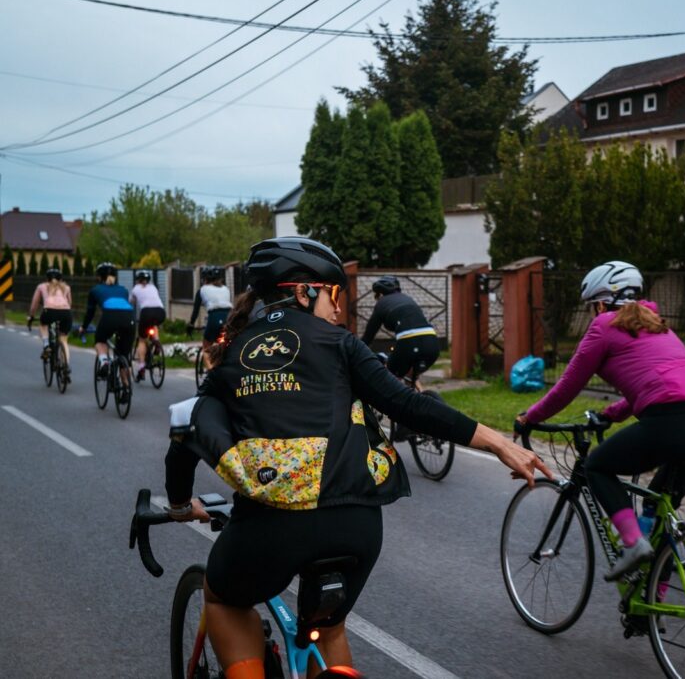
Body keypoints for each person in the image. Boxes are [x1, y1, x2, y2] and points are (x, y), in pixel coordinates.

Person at [164, 237, 552, 679]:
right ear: (302, 291)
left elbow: (187, 432)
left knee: (225, 601)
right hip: (356, 525)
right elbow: (408, 405)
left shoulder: (231, 355)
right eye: (333, 295)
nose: (337, 309)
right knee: (327, 629)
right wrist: (498, 442)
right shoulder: (340, 344)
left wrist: (179, 505)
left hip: (270, 526)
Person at [516, 261, 685, 581]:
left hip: (672, 421)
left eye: (592, 306)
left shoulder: (603, 326)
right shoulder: (659, 326)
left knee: (597, 465)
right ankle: (654, 607)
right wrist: (611, 414)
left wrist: (530, 417)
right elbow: (663, 382)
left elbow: (566, 388)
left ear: (600, 302)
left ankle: (632, 544)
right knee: (657, 514)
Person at [360, 275, 440, 383]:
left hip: (409, 343)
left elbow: (369, 336)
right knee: (410, 378)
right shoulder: (408, 299)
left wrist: (358, 351)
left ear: (380, 294)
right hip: (432, 343)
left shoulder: (381, 304)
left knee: (389, 377)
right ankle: (422, 397)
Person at [79, 262, 134, 380]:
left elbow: (90, 312)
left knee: (100, 340)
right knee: (123, 355)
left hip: (110, 317)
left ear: (99, 277)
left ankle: (104, 362)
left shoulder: (95, 290)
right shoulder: (123, 290)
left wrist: (84, 327)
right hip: (129, 318)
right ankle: (126, 388)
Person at [29, 267, 73, 380]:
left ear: (46, 278)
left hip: (49, 311)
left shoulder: (42, 286)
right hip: (66, 313)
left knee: (43, 324)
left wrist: (31, 316)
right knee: (63, 340)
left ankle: (46, 345)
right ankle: (66, 365)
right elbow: (70, 303)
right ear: (61, 278)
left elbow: (34, 304)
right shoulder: (66, 287)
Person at [130, 270, 166, 381]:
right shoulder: (153, 287)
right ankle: (156, 341)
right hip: (160, 312)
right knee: (154, 324)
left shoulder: (135, 288)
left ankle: (141, 366)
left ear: (138, 280)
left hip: (146, 313)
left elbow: (131, 302)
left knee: (142, 340)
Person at [189, 266, 233, 351]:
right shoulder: (225, 289)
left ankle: (210, 364)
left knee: (207, 348)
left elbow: (196, 311)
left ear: (205, 279)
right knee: (226, 346)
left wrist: (191, 324)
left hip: (214, 317)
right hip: (229, 317)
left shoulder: (202, 290)